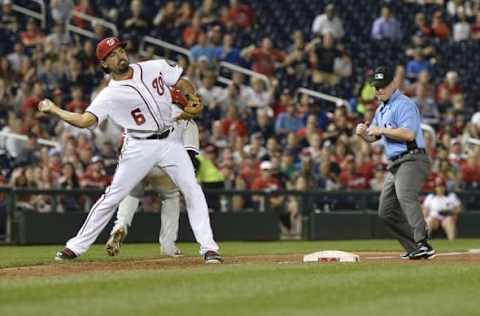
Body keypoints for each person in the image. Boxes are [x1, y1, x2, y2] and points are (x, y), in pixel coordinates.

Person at [38, 37, 222, 263]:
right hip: (138, 145)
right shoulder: (109, 94)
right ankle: (75, 247)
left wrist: (191, 96)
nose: (120, 56)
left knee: (192, 189)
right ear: (104, 64)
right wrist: (56, 110)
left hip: (170, 141)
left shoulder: (153, 66)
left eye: (120, 50)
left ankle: (209, 248)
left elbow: (180, 80)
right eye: (112, 55)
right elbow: (85, 120)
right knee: (112, 197)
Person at [355, 65, 435, 260]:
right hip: (396, 163)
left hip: (413, 158)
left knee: (405, 195)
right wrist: (364, 135)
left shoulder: (404, 104)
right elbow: (375, 138)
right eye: (376, 86)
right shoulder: (381, 109)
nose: (379, 90)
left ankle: (422, 241)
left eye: (382, 85)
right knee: (386, 211)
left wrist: (380, 130)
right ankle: (414, 246)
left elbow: (408, 134)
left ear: (393, 84)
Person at [106, 120, 201, 257]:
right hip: (163, 163)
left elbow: (123, 144)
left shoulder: (149, 112)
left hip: (137, 159)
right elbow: (190, 155)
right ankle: (168, 246)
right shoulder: (188, 122)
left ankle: (120, 226)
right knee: (171, 197)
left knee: (132, 193)